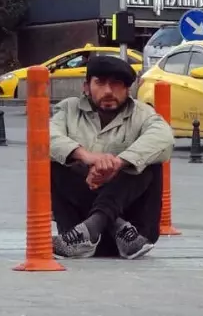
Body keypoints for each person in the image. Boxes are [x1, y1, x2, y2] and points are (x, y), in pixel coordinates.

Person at [50, 55, 174, 260]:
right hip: (76, 237)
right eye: (100, 83)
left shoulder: (142, 113)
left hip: (135, 238)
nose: (108, 91)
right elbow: (46, 137)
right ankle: (101, 227)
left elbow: (164, 138)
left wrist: (118, 163)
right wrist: (87, 157)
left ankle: (104, 227)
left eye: (116, 84)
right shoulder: (68, 109)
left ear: (127, 90)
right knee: (58, 159)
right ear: (86, 87)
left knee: (147, 162)